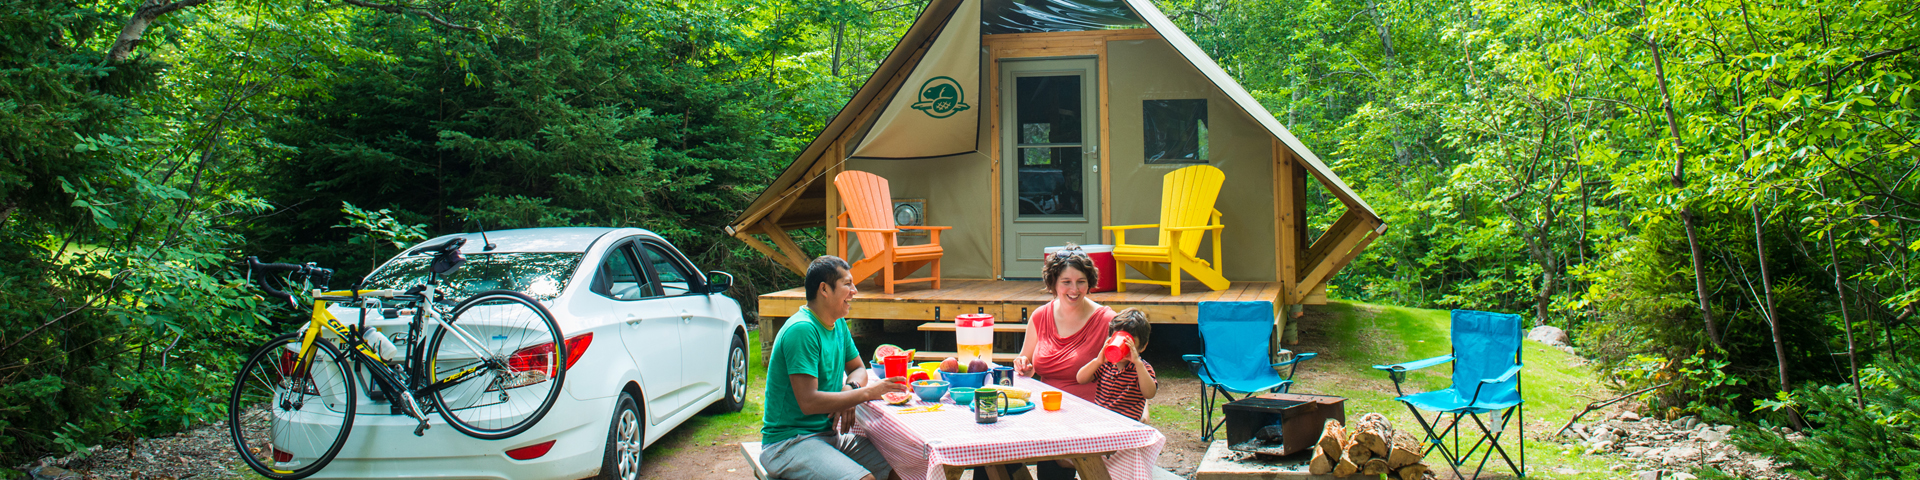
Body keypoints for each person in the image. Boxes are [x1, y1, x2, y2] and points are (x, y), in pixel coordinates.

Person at [761, 256, 910, 480]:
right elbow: (809, 402)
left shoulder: (837, 323)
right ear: (824, 289)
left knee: (901, 469)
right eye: (847, 284)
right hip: (789, 443)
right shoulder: (802, 330)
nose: (855, 291)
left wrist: (850, 389)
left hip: (828, 437)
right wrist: (867, 393)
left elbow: (858, 368)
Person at [1014, 244, 1117, 401]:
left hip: (1092, 412)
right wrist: (1023, 366)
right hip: (1048, 408)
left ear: (1089, 282)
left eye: (1081, 281)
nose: (1074, 289)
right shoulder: (1039, 316)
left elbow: (1131, 370)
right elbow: (1025, 362)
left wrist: (1142, 409)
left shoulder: (1107, 320)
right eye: (1066, 282)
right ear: (1053, 283)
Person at [1075, 308, 1158, 421]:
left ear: (1142, 346)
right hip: (1102, 422)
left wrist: (1138, 364)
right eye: (1117, 339)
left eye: (1129, 343)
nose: (1121, 346)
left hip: (1127, 426)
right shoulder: (1105, 364)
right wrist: (1097, 361)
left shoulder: (1142, 368)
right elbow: (1080, 379)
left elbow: (1149, 393)